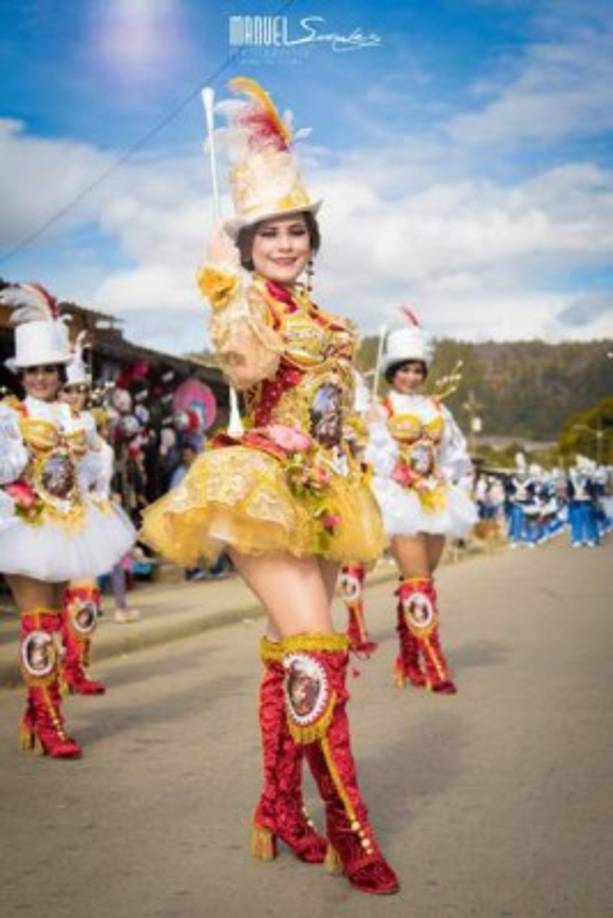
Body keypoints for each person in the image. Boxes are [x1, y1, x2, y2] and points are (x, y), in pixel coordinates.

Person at [141, 77, 398, 895]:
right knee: (317, 652)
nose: (284, 244)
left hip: (323, 490)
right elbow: (247, 369)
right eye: (268, 233)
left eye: (295, 231)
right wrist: (224, 291)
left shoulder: (328, 322)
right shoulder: (247, 303)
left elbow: (339, 413)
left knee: (291, 651)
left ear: (310, 241)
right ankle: (351, 833)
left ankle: (277, 808)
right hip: (259, 486)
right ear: (247, 244)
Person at [0, 283, 136, 757]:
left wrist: (95, 471)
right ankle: (52, 725)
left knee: (56, 625)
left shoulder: (78, 419)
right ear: (22, 374)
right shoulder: (10, 416)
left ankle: (38, 712)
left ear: (60, 372)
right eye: (32, 370)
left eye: (48, 369)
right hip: (24, 525)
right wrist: (17, 452)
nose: (40, 378)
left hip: (69, 526)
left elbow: (90, 472)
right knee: (38, 623)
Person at [367, 311, 477, 693]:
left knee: (422, 582)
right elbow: (374, 458)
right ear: (392, 371)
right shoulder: (381, 409)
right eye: (405, 369)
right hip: (401, 502)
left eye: (417, 370)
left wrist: (448, 476)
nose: (412, 377)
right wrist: (392, 468)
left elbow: (455, 452)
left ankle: (408, 659)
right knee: (418, 584)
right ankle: (435, 665)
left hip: (435, 500)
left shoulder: (437, 408)